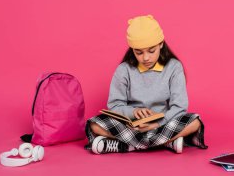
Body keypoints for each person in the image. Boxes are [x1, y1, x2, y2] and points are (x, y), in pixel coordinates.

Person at [85, 15, 207, 154]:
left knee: (194, 122)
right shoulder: (124, 70)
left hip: (163, 124)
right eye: (139, 52)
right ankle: (166, 142)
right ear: (132, 50)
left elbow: (179, 106)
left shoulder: (174, 67)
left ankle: (126, 145)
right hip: (132, 127)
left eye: (151, 50)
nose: (146, 58)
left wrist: (157, 124)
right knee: (94, 124)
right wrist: (133, 112)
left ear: (161, 44)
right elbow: (114, 105)